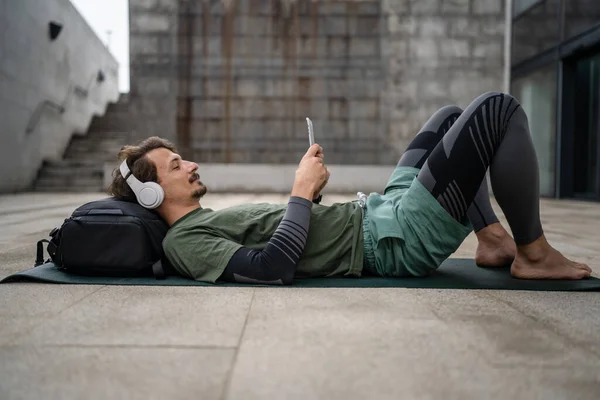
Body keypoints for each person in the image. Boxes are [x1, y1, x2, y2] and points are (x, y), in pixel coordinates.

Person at [108, 91, 591, 285]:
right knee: (496, 111)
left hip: (378, 211)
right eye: (176, 165)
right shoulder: (184, 241)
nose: (190, 164)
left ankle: (491, 240)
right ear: (152, 194)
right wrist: (299, 193)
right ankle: (533, 253)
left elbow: (288, 236)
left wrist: (310, 197)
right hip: (391, 240)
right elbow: (269, 269)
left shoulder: (202, 222)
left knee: (447, 117)